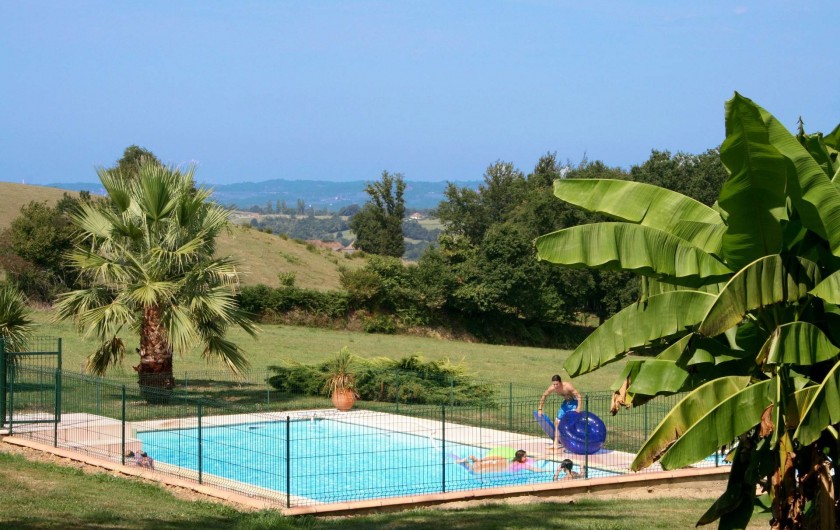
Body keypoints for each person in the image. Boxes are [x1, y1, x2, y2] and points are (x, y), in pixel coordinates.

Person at [538, 374, 583, 452]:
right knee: (557, 422)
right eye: (554, 384)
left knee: (569, 423)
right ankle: (555, 444)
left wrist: (578, 408)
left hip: (574, 403)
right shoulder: (553, 388)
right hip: (566, 403)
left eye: (557, 384)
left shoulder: (567, 386)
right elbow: (544, 395)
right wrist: (540, 408)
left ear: (560, 382)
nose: (555, 386)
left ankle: (571, 443)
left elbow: (579, 396)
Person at [457, 449, 547, 474]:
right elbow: (534, 469)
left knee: (479, 466)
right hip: (500, 468)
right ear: (520, 458)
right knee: (476, 471)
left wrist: (544, 457)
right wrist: (545, 471)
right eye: (525, 456)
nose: (526, 457)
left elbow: (534, 459)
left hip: (501, 465)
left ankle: (469, 460)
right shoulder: (521, 465)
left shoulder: (516, 460)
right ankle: (465, 462)